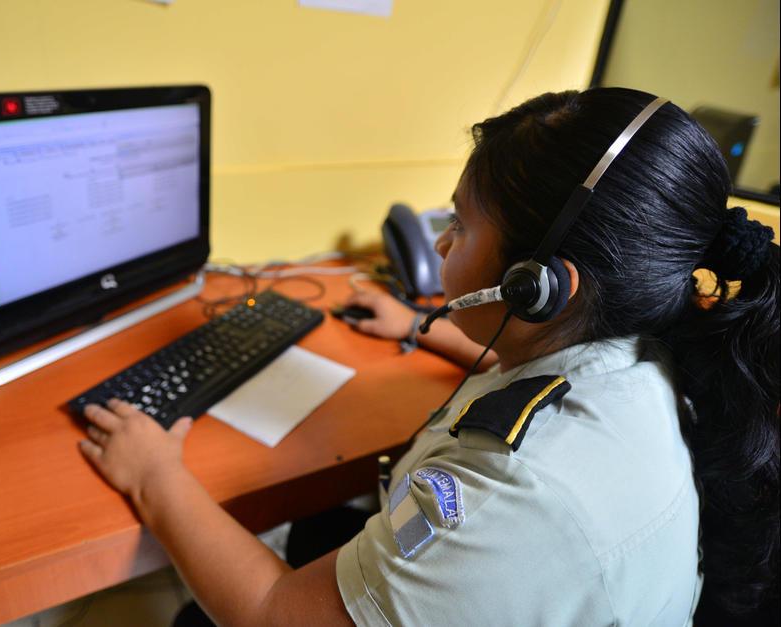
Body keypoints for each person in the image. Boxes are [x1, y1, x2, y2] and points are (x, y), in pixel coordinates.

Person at [77, 87, 779, 625]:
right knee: (328, 528)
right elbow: (542, 383)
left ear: (533, 287)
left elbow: (270, 612)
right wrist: (421, 327)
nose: (440, 245)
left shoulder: (512, 493)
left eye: (461, 225)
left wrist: (155, 475)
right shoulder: (651, 338)